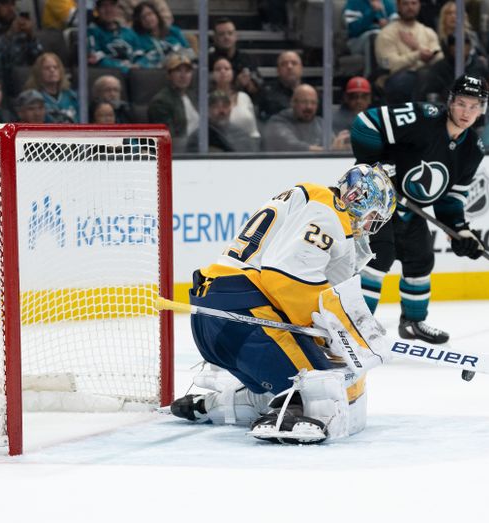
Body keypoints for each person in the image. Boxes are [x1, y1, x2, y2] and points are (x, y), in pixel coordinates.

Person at [168, 164, 397, 444]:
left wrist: (333, 326)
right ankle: (287, 414)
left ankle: (212, 405)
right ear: (356, 198)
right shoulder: (328, 212)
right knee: (326, 391)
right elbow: (284, 278)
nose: (370, 225)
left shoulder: (309, 198)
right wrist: (336, 328)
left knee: (277, 389)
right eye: (373, 215)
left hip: (215, 315)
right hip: (245, 317)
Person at [350, 75, 488, 343]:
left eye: (474, 106)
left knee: (421, 258)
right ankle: (356, 324)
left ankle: (413, 323)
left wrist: (461, 232)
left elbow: (449, 199)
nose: (466, 112)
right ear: (450, 102)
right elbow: (364, 124)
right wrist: (377, 165)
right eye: (461, 103)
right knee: (379, 256)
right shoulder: (423, 117)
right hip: (376, 201)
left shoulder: (473, 149)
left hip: (409, 208)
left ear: (483, 109)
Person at [374, 0, 443, 104]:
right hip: (396, 79)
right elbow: (390, 64)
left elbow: (439, 58)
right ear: (398, 6)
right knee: (416, 78)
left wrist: (416, 46)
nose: (410, 7)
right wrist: (418, 55)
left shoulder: (428, 32)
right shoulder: (387, 33)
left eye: (414, 3)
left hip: (426, 77)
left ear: (419, 5)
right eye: (405, 3)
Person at [0, 0, 43, 96]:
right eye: (5, 3)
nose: (10, 8)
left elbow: (38, 59)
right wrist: (10, 34)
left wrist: (31, 36)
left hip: (20, 80)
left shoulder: (20, 22)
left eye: (13, 4)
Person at [263, 84, 349, 152]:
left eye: (313, 103)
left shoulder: (321, 123)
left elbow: (333, 145)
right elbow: (295, 149)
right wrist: (330, 151)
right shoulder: (277, 123)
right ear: (293, 103)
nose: (309, 107)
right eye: (304, 102)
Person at [148, 54, 198, 151]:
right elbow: (168, 139)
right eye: (178, 70)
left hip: (199, 147)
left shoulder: (194, 96)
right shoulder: (160, 102)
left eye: (187, 71)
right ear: (169, 75)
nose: (183, 76)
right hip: (180, 154)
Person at [186, 90, 260, 153]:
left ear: (230, 109)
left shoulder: (242, 135)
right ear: (207, 110)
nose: (222, 111)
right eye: (216, 106)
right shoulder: (198, 138)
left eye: (225, 106)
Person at [208, 18, 263, 100]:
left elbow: (258, 86)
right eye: (221, 34)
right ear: (215, 38)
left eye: (230, 33)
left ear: (236, 36)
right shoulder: (207, 61)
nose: (226, 37)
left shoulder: (247, 59)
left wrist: (249, 84)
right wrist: (235, 85)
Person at [210, 56, 261, 141]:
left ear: (232, 73)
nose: (223, 71)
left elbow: (254, 130)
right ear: (212, 75)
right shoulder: (207, 99)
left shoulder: (244, 97)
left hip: (247, 146)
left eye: (227, 68)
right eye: (218, 69)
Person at [132, 1, 193, 69]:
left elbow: (189, 52)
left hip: (179, 68)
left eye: (150, 14)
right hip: (154, 73)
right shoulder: (138, 38)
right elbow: (138, 61)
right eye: (143, 17)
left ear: (157, 14)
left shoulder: (174, 31)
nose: (148, 19)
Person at [343, 0, 397, 77]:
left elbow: (398, 27)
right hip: (358, 40)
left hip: (385, 37)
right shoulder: (353, 2)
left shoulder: (389, 3)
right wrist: (372, 12)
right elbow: (353, 29)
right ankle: (371, 78)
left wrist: (387, 26)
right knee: (374, 37)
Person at [87, 0, 143, 73]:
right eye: (104, 6)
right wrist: (126, 68)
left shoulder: (129, 32)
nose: (108, 10)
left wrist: (139, 65)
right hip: (106, 75)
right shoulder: (91, 32)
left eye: (112, 5)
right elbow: (97, 59)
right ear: (97, 9)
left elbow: (140, 55)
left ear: (117, 8)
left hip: (134, 76)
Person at [23, 52, 79, 124]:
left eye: (55, 67)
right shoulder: (33, 98)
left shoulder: (72, 96)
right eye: (47, 68)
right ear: (39, 72)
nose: (52, 70)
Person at [258, 50, 303, 122]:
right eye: (284, 64)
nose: (289, 67)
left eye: (294, 63)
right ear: (278, 70)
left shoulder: (312, 93)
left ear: (301, 68)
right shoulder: (267, 94)